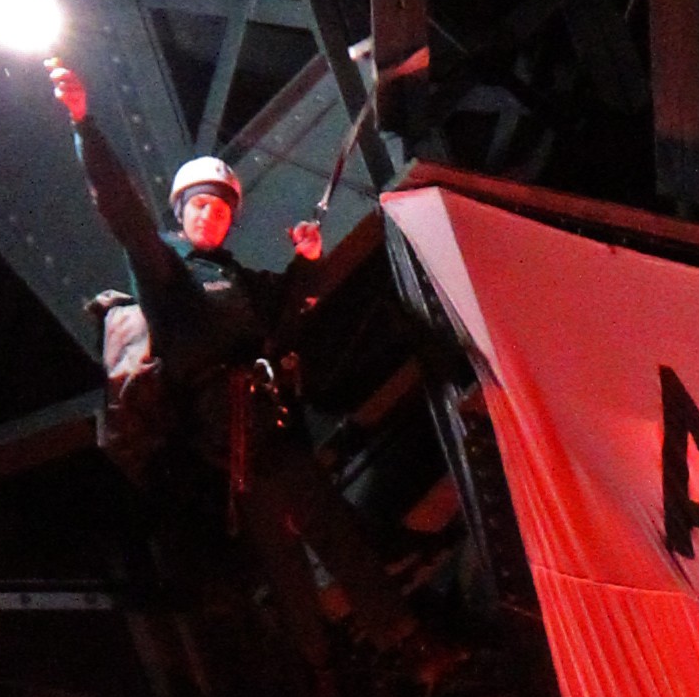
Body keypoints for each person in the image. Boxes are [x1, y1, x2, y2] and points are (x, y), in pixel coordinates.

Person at [49, 64, 424, 666]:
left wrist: (307, 261)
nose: (211, 216)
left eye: (221, 211)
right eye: (200, 207)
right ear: (181, 213)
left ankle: (402, 640)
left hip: (270, 428)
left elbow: (286, 314)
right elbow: (122, 212)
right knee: (286, 561)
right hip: (226, 446)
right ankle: (321, 673)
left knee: (333, 533)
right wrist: (83, 124)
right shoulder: (165, 275)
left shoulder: (242, 283)